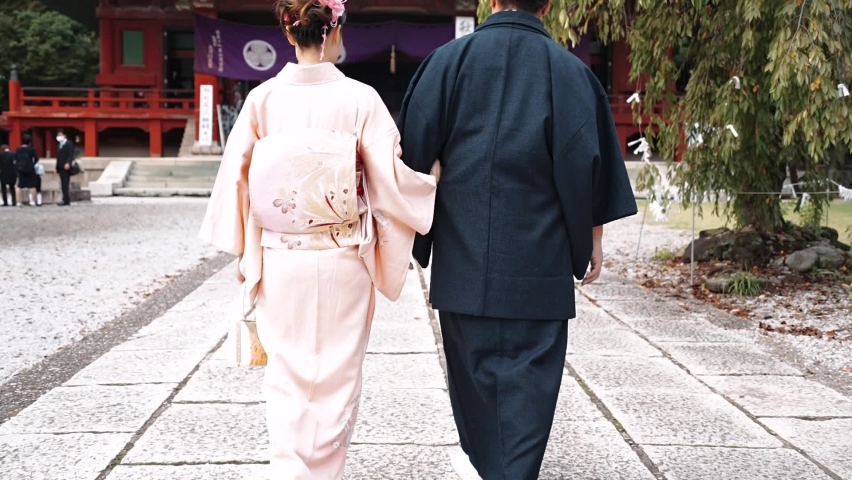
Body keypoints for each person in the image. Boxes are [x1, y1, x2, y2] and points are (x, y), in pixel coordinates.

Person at [398, 1, 638, 479]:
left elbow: (410, 158)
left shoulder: (447, 63)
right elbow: (589, 167)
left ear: (490, 1)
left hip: (465, 262)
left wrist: (414, 239)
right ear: (546, 4)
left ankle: (493, 468)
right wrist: (592, 240)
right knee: (529, 387)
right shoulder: (571, 74)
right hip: (539, 263)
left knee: (474, 385)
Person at [198, 0, 437, 477]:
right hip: (342, 256)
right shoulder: (361, 98)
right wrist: (429, 182)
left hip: (281, 257)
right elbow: (389, 180)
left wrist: (247, 251)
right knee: (336, 375)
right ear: (333, 30)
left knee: (286, 374)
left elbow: (237, 179)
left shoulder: (262, 99)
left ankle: (288, 471)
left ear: (290, 34)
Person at [14, 134, 39, 207]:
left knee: (19, 186)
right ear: (30, 142)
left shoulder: (18, 149)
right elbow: (36, 159)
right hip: (30, 168)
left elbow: (15, 159)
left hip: (20, 169)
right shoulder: (32, 149)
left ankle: (19, 202)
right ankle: (32, 201)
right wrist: (32, 164)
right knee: (32, 186)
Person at [55, 129, 76, 206]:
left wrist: (68, 163)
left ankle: (66, 199)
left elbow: (71, 154)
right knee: (63, 183)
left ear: (64, 135)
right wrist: (56, 168)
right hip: (60, 166)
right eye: (58, 135)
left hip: (66, 166)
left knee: (65, 183)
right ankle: (64, 198)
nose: (59, 137)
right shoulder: (59, 145)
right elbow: (58, 157)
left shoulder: (68, 143)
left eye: (60, 135)